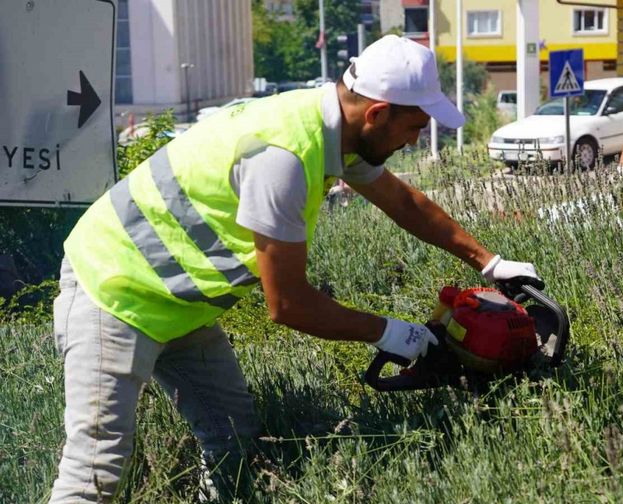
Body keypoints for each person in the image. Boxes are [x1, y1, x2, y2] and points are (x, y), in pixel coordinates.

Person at [49, 35, 541, 503]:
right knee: (96, 469)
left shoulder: (331, 130)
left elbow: (401, 201)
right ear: (378, 113)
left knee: (233, 444)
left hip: (177, 306)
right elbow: (287, 305)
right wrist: (394, 334)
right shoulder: (283, 157)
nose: (414, 142)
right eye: (414, 128)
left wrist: (490, 262)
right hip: (112, 292)